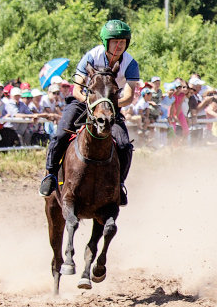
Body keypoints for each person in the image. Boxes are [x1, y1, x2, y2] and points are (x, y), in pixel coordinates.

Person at [39, 19, 141, 205]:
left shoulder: (131, 63)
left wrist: (107, 104)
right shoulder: (92, 56)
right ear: (105, 42)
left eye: (122, 42)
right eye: (114, 42)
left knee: (125, 145)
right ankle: (51, 175)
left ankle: (119, 184)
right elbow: (77, 90)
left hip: (111, 107)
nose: (118, 46)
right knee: (60, 134)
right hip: (84, 102)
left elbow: (128, 97)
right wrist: (93, 102)